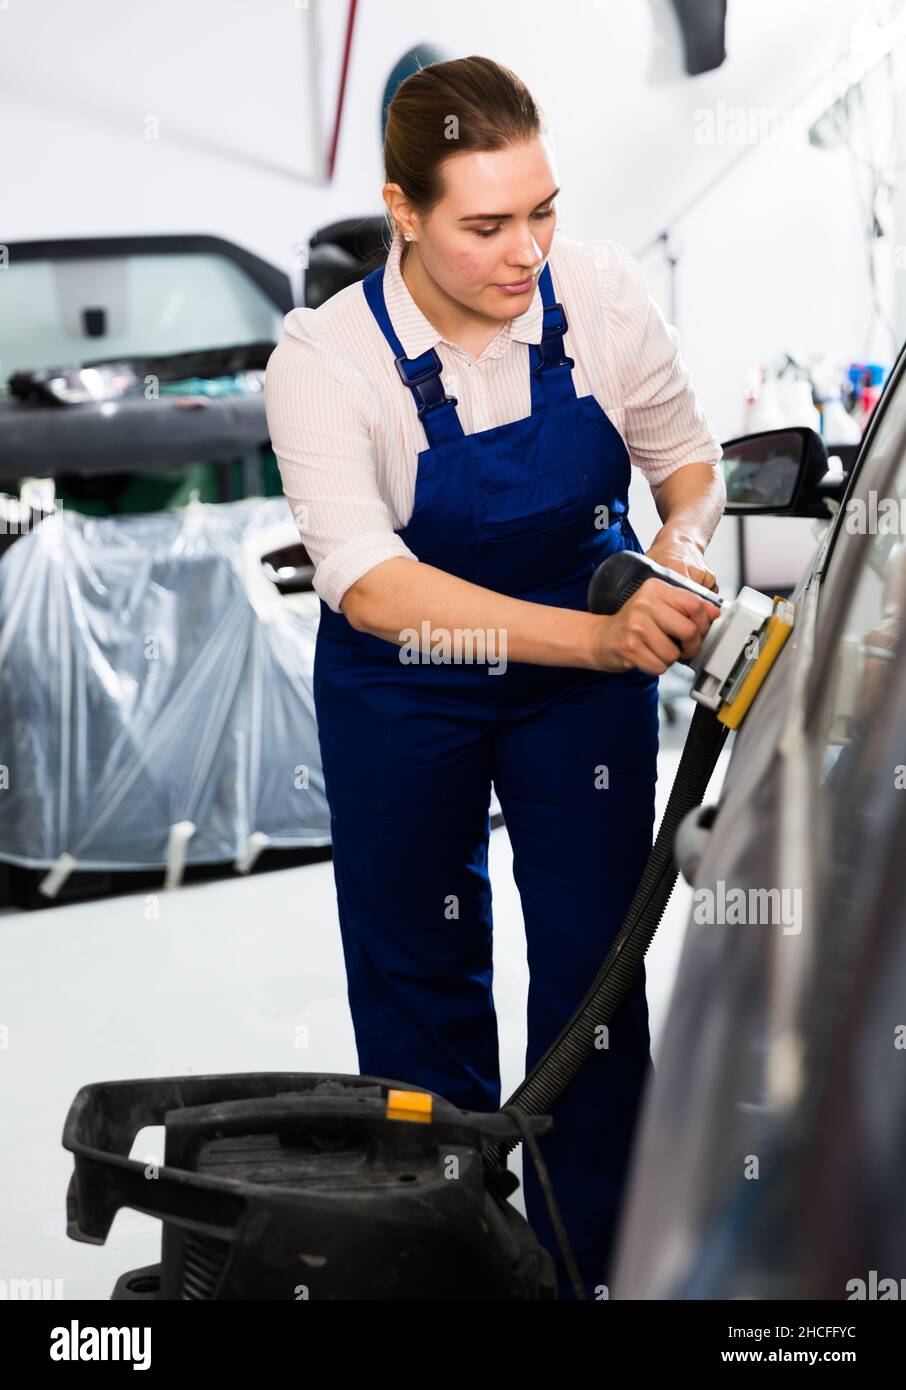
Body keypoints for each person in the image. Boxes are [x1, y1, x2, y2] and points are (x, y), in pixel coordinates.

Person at [265, 54, 725, 1299]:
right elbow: (372, 584)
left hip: (582, 683)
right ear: (402, 210)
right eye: (485, 225)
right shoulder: (325, 357)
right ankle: (453, 1262)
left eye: (542, 211)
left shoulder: (602, 294)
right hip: (409, 680)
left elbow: (688, 470)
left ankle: (599, 1270)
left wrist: (672, 563)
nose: (527, 251)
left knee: (595, 978)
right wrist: (600, 637)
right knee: (418, 976)